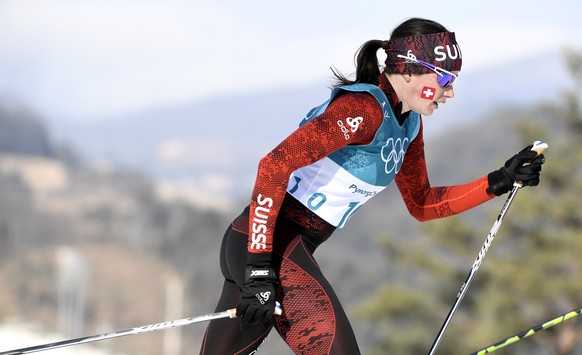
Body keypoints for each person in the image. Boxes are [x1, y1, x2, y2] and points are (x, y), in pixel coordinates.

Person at [199, 17, 545, 355]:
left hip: (271, 250)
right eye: (443, 77)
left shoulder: (407, 124)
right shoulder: (363, 110)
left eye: (453, 80)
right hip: (266, 249)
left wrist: (499, 181)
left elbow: (422, 204)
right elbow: (274, 165)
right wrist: (259, 268)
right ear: (409, 70)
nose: (450, 91)